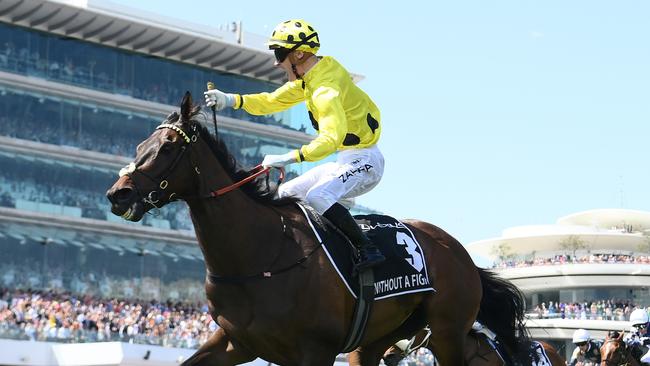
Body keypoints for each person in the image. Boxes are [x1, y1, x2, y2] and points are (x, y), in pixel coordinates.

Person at [204, 19, 385, 270]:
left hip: (366, 162)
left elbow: (330, 139)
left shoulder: (324, 90)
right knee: (283, 194)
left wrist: (290, 157)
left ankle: (368, 249)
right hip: (347, 159)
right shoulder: (315, 74)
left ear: (299, 54)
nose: (276, 62)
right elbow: (272, 101)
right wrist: (231, 100)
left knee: (318, 195)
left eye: (279, 54)